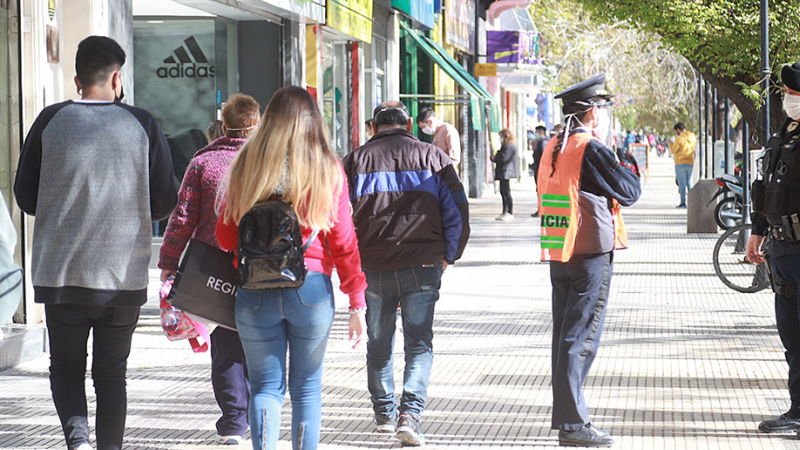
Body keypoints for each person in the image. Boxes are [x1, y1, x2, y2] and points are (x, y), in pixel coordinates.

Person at [13, 36, 177, 450]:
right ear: (117, 77)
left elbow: (25, 196)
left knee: (66, 368)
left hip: (61, 274)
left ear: (77, 79)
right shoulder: (142, 123)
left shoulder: (50, 120)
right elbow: (164, 200)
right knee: (111, 375)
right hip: (122, 276)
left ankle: (79, 441)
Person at [215, 86, 367, 450]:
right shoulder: (325, 167)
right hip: (311, 290)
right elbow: (344, 242)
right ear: (314, 121)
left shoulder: (247, 164)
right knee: (306, 389)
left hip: (254, 291)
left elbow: (224, 235)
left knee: (266, 387)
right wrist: (356, 302)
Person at [344, 101, 470, 446]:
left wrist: (347, 266)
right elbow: (458, 210)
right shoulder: (434, 158)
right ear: (410, 123)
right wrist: (449, 255)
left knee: (379, 343)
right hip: (424, 265)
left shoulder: (354, 161)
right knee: (419, 344)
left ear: (373, 127)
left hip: (373, 268)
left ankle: (384, 414)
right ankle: (409, 416)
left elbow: (339, 219)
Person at [537, 74, 641, 447]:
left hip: (559, 248)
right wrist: (625, 158)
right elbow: (630, 191)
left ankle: (570, 416)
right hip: (589, 250)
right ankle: (573, 423)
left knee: (565, 335)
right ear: (593, 111)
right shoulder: (590, 148)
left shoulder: (552, 144)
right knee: (580, 338)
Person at [158, 93, 260, 446]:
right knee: (264, 341)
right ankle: (262, 413)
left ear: (224, 125)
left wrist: (168, 263)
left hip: (215, 269)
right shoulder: (269, 160)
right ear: (256, 124)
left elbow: (181, 218)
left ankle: (235, 421)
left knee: (226, 343)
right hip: (267, 268)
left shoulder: (204, 163)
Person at [746, 61, 800, 435]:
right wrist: (757, 231)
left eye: (794, 94)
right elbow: (767, 189)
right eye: (787, 94)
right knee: (792, 336)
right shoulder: (784, 134)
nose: (788, 100)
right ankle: (797, 409)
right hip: (782, 249)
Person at [532, 124, 563, 218]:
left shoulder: (544, 142)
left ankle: (543, 209)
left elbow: (545, 157)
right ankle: (541, 209)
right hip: (540, 169)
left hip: (543, 170)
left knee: (543, 190)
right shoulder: (545, 141)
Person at [417, 107, 462, 172]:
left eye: (423, 127)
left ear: (430, 121)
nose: (423, 130)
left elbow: (454, 158)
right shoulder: (438, 133)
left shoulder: (448, 130)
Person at [491, 128, 518, 221]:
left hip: (505, 171)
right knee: (503, 191)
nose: (500, 139)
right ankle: (505, 211)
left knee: (506, 192)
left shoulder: (508, 146)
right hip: (505, 171)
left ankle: (509, 211)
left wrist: (495, 157)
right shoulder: (508, 146)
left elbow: (503, 158)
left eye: (501, 137)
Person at [669, 122, 696, 208]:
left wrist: (670, 145)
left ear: (678, 130)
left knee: (682, 184)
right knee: (690, 183)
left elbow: (673, 150)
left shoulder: (679, 139)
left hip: (680, 163)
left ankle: (683, 203)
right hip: (690, 162)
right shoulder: (692, 137)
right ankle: (692, 202)